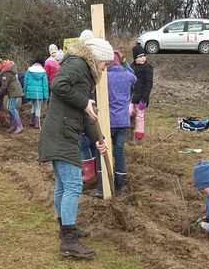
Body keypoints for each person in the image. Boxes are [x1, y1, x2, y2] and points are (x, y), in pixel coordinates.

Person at [38, 36, 113, 259]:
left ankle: (66, 230)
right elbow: (57, 84)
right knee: (72, 185)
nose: (104, 68)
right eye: (104, 63)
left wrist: (98, 140)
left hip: (63, 131)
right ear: (96, 57)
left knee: (62, 185)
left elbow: (86, 113)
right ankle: (69, 241)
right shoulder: (78, 64)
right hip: (60, 134)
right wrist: (83, 102)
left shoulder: (84, 72)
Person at [91, 50, 137, 197]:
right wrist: (124, 61)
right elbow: (133, 75)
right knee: (119, 152)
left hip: (106, 121)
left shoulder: (103, 76)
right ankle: (118, 187)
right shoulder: (128, 75)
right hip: (123, 122)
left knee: (102, 152)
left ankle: (101, 187)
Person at [0, 55, 24, 134]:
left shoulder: (6, 72)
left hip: (14, 91)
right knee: (9, 108)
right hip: (11, 91)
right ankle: (13, 125)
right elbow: (3, 81)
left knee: (11, 108)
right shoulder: (3, 71)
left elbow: (4, 86)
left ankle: (19, 126)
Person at [129, 45, 153, 146]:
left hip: (141, 98)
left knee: (139, 117)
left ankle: (138, 138)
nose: (142, 58)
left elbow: (148, 84)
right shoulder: (131, 67)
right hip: (131, 98)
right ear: (135, 58)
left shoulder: (147, 67)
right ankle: (128, 133)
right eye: (139, 56)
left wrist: (144, 99)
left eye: (144, 56)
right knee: (129, 114)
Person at [23, 58, 48, 129]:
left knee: (34, 105)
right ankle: (37, 124)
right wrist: (45, 96)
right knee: (38, 107)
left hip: (30, 92)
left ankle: (31, 121)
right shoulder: (43, 72)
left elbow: (25, 82)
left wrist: (25, 92)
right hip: (39, 93)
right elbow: (45, 85)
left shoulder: (29, 70)